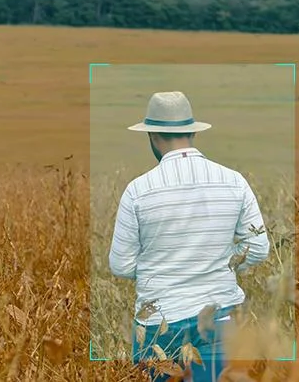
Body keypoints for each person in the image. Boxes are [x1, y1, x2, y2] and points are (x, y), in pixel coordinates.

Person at [109, 91, 270, 381]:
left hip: (160, 327)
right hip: (222, 316)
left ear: (153, 136)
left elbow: (120, 265)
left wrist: (163, 269)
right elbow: (258, 248)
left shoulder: (138, 190)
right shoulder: (234, 181)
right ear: (192, 132)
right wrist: (218, 266)